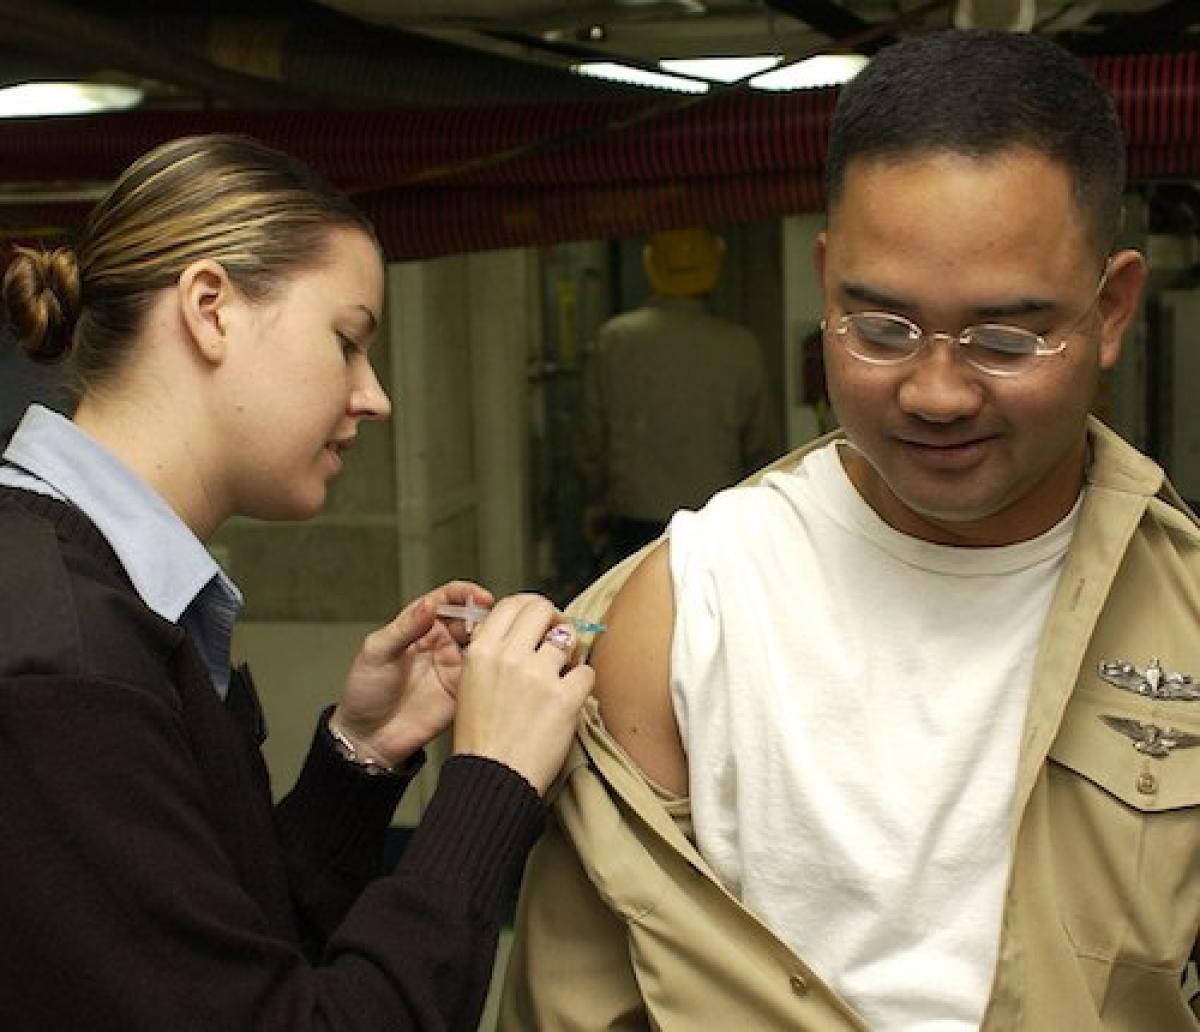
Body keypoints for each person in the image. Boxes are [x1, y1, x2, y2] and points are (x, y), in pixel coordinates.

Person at [500, 29, 1200, 1031]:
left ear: (1115, 309)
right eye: (880, 329)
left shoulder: (1184, 613)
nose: (938, 391)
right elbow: (574, 1005)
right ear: (827, 283)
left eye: (1005, 337)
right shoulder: (689, 607)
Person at [0, 133, 595, 1031]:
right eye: (348, 341)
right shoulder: (60, 661)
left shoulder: (99, 594)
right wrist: (493, 778)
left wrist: (361, 756)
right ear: (211, 308)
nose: (374, 395)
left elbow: (228, 950)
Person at [575, 225, 774, 564]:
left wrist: (594, 503)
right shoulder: (740, 346)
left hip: (633, 523)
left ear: (651, 264)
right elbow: (762, 449)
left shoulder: (616, 340)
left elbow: (591, 441)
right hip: (715, 521)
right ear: (714, 266)